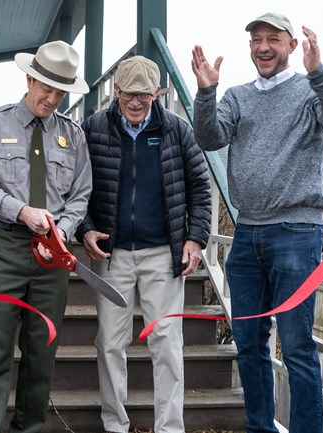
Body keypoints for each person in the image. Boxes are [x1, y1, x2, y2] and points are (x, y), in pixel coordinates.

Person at [191, 12, 323, 433]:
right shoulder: (237, 95)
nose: (263, 47)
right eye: (256, 40)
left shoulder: (309, 90)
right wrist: (207, 93)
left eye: (273, 39)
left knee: (298, 345)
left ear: (291, 46)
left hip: (296, 233)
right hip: (246, 234)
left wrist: (318, 73)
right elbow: (209, 139)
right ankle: (260, 428)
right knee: (249, 343)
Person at [75, 55, 212, 433]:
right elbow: (77, 189)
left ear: (157, 93)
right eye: (128, 95)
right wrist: (85, 229)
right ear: (115, 91)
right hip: (111, 253)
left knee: (166, 344)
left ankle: (170, 427)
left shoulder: (178, 130)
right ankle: (115, 424)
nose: (135, 103)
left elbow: (201, 189)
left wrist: (195, 239)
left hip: (162, 254)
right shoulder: (93, 128)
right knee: (109, 343)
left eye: (144, 96)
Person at [0, 40, 91, 433]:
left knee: (42, 353)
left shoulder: (74, 135)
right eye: (46, 88)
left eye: (60, 92)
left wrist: (63, 230)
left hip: (51, 258)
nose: (52, 98)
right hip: (3, 247)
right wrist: (20, 210)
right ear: (29, 78)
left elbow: (80, 194)